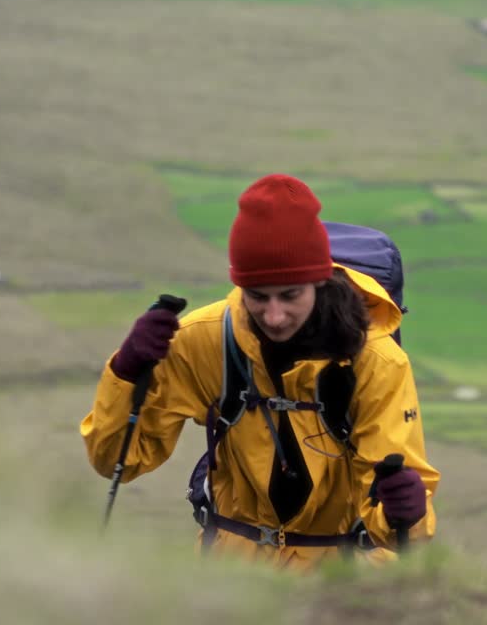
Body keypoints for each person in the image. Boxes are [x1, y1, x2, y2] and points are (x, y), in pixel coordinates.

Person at [80, 173, 438, 570]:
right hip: (232, 581)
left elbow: (399, 531)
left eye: (290, 295)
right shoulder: (206, 338)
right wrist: (126, 371)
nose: (274, 315)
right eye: (257, 296)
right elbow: (117, 461)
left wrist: (404, 510)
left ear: (319, 282)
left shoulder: (376, 359)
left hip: (344, 580)